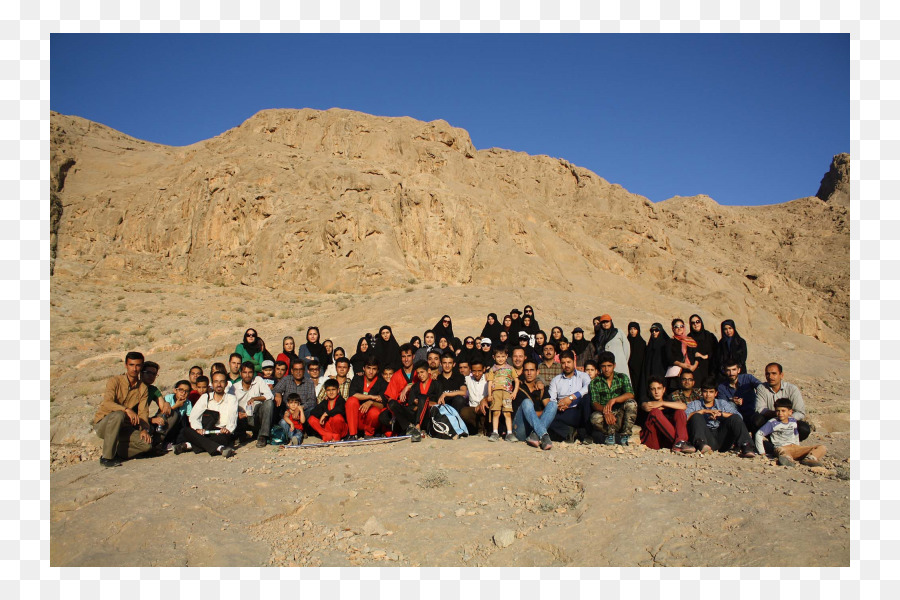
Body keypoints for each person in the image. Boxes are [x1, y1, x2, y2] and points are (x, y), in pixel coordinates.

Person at [92, 352, 153, 467]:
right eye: (131, 365)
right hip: (104, 424)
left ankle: (117, 451)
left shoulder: (143, 388)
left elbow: (143, 411)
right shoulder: (115, 381)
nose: (134, 369)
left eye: (138, 365)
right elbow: (107, 403)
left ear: (142, 366)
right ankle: (107, 458)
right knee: (119, 414)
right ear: (126, 365)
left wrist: (144, 429)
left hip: (123, 428)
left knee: (146, 444)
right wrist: (126, 410)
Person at [686, 377, 755, 457]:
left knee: (735, 418)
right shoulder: (695, 404)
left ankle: (747, 447)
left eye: (711, 392)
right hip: (706, 436)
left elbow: (739, 417)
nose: (708, 395)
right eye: (705, 392)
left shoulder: (722, 403)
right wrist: (703, 411)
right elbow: (685, 417)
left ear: (716, 393)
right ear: (702, 392)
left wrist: (721, 414)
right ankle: (701, 445)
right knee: (696, 416)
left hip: (722, 436)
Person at [176, 371, 238, 458]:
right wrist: (198, 429)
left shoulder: (231, 399)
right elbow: (194, 416)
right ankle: (219, 448)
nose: (219, 384)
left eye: (222, 381)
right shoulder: (205, 397)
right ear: (212, 384)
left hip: (221, 432)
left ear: (226, 383)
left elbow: (233, 417)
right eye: (216, 381)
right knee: (186, 430)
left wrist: (227, 429)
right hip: (206, 431)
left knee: (223, 438)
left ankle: (190, 445)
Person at [754, 398, 826, 467]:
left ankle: (810, 459)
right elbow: (759, 434)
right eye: (778, 411)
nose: (780, 413)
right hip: (782, 447)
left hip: (795, 447)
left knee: (821, 447)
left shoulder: (793, 421)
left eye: (783, 411)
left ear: (790, 412)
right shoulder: (773, 422)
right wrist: (761, 452)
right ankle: (787, 460)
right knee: (783, 452)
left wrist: (797, 445)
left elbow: (795, 434)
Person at [588, 351, 637, 446]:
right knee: (595, 418)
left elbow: (630, 394)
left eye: (609, 366)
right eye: (603, 366)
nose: (606, 369)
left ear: (614, 365)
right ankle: (609, 434)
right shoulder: (595, 382)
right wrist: (606, 411)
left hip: (620, 413)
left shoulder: (622, 377)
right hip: (605, 416)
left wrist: (614, 400)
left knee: (631, 403)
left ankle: (625, 435)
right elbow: (595, 403)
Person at [753, 363, 811, 441]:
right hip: (770, 420)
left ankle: (790, 443)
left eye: (774, 374)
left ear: (781, 375)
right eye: (767, 374)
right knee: (756, 419)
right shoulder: (762, 388)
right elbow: (759, 408)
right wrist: (777, 415)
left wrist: (786, 418)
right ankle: (771, 442)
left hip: (789, 421)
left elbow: (800, 412)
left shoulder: (792, 389)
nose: (770, 377)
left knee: (804, 429)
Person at [545, 351, 593, 442]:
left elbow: (588, 387)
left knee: (587, 398)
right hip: (564, 411)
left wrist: (571, 398)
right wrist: (559, 405)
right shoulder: (556, 380)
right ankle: (569, 432)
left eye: (568, 362)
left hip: (580, 411)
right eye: (563, 363)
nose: (566, 365)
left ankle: (587, 434)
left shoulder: (583, 376)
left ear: (574, 362)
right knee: (547, 417)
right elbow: (552, 398)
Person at [639, 376, 695, 453]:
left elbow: (683, 406)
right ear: (649, 390)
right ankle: (680, 443)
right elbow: (647, 407)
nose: (656, 392)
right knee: (655, 412)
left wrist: (662, 403)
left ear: (664, 389)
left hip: (666, 439)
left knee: (680, 412)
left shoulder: (668, 400)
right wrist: (665, 406)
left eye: (659, 388)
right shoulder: (645, 399)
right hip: (652, 438)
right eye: (653, 389)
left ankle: (680, 441)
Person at [512, 360, 556, 450]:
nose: (529, 373)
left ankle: (535, 435)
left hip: (534, 428)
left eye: (532, 370)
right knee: (526, 402)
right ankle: (544, 435)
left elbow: (549, 409)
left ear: (537, 372)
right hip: (520, 428)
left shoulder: (541, 388)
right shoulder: (517, 387)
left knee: (553, 404)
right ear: (523, 371)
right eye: (526, 370)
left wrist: (542, 390)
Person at [231, 361, 275, 447]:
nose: (247, 375)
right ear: (240, 373)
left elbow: (270, 395)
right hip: (241, 419)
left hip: (256, 416)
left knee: (269, 403)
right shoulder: (234, 387)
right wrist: (237, 413)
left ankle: (263, 436)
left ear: (253, 373)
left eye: (250, 372)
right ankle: (239, 435)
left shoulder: (258, 380)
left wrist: (255, 398)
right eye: (244, 372)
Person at [345, 356, 388, 439]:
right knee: (351, 401)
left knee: (375, 412)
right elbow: (353, 394)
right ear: (364, 368)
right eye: (368, 368)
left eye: (374, 369)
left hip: (370, 419)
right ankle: (352, 434)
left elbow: (383, 403)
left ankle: (369, 434)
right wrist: (371, 397)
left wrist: (371, 402)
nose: (371, 372)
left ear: (377, 370)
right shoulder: (357, 378)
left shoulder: (382, 383)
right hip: (357, 417)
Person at [486, 346, 520, 442]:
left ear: (506, 356)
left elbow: (517, 381)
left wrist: (514, 392)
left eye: (502, 356)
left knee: (507, 412)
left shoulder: (510, 368)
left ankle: (509, 433)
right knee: (496, 412)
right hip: (496, 393)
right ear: (494, 357)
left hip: (507, 393)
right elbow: (490, 383)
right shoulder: (493, 369)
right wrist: (489, 395)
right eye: (498, 356)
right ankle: (495, 432)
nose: (500, 359)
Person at [717, 359, 762, 426]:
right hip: (735, 416)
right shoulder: (722, 387)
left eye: (734, 370)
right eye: (728, 370)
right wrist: (732, 400)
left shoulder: (748, 378)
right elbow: (722, 404)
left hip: (752, 412)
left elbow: (761, 387)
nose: (731, 373)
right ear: (725, 372)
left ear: (739, 370)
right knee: (730, 405)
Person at [591, 315, 630, 381]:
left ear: (611, 322)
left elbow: (627, 349)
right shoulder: (599, 337)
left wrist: (623, 361)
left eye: (607, 322)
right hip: (606, 367)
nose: (605, 324)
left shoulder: (618, 332)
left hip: (620, 364)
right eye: (603, 322)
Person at [665, 318, 697, 391]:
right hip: (677, 374)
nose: (679, 328)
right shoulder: (670, 342)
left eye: (681, 326)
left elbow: (696, 355)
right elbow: (669, 358)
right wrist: (681, 364)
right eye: (676, 327)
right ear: (673, 329)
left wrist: (694, 366)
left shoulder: (690, 340)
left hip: (691, 371)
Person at [641, 323, 671, 401]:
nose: (654, 332)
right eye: (652, 331)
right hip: (650, 375)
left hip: (663, 374)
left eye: (656, 330)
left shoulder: (666, 344)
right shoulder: (650, 345)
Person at [687, 315, 718, 383]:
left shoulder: (710, 336)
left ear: (701, 322)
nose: (696, 324)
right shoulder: (688, 338)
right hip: (696, 372)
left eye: (698, 321)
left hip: (710, 369)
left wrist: (705, 356)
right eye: (693, 323)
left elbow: (717, 351)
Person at [627, 322, 646, 397]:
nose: (632, 331)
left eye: (635, 329)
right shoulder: (626, 341)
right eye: (630, 329)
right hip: (629, 370)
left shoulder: (642, 343)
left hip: (639, 371)